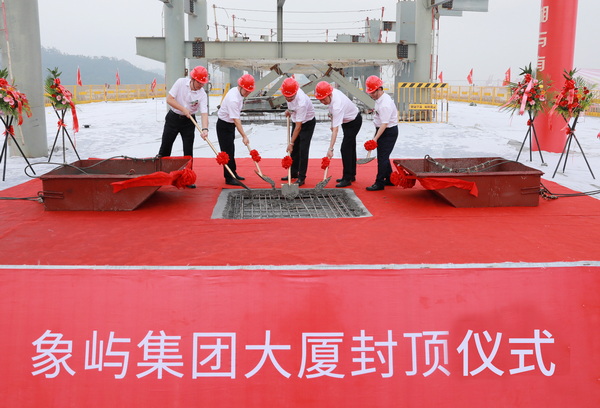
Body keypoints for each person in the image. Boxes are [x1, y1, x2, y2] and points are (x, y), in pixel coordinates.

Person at [157, 65, 209, 188]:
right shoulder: (180, 82)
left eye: (203, 83)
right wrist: (183, 109)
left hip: (189, 122)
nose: (201, 85)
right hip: (173, 119)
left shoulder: (202, 94)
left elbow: (204, 113)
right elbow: (169, 99)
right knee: (165, 147)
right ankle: (160, 175)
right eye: (199, 82)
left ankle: (188, 178)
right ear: (193, 79)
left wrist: (205, 129)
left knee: (188, 151)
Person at [314, 81, 362, 188]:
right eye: (320, 100)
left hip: (354, 121)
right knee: (350, 147)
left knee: (345, 149)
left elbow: (335, 130)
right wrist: (332, 122)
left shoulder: (337, 105)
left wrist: (330, 149)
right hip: (347, 120)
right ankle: (351, 174)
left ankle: (347, 178)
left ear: (329, 94)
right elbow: (333, 116)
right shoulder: (331, 93)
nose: (322, 102)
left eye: (324, 99)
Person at [216, 73, 254, 185]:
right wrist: (244, 136)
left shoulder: (238, 92)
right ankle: (229, 177)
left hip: (230, 124)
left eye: (249, 91)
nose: (248, 93)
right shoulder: (233, 99)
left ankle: (233, 172)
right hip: (224, 125)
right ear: (240, 86)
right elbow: (236, 120)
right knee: (227, 152)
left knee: (231, 150)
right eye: (246, 90)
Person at [364, 75, 399, 191]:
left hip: (388, 132)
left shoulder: (385, 104)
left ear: (379, 89)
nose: (371, 95)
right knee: (384, 156)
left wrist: (375, 139)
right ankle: (389, 178)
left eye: (373, 92)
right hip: (382, 130)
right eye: (370, 93)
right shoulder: (380, 99)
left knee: (382, 158)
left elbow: (384, 124)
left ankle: (379, 182)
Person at [280, 77, 316, 186]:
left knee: (303, 150)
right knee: (294, 149)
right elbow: (292, 107)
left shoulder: (301, 102)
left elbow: (299, 127)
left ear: (295, 93)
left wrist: (291, 143)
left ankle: (302, 177)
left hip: (307, 123)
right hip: (296, 120)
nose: (288, 99)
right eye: (286, 97)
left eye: (291, 97)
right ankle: (293, 172)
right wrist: (289, 111)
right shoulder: (289, 91)